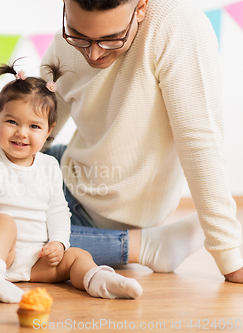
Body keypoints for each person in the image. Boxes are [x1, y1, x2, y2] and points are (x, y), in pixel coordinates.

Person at [41, 0, 243, 282]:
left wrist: (229, 253)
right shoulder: (68, 40)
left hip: (95, 211)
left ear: (141, 7)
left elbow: (199, 140)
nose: (93, 53)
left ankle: (144, 246)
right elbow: (39, 119)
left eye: (111, 39)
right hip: (69, 170)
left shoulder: (176, 24)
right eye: (80, 36)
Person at [0, 62, 143, 303]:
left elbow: (57, 210)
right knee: (3, 221)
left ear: (48, 130)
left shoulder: (49, 166)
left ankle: (98, 279)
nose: (22, 133)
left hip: (35, 259)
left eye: (34, 126)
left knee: (77, 255)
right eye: (12, 122)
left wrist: (59, 243)